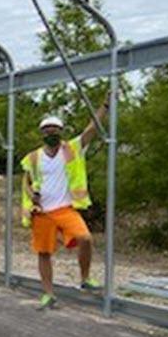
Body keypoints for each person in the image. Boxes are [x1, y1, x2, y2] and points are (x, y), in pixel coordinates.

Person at [20, 97, 109, 310]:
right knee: (44, 253)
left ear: (61, 131)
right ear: (42, 133)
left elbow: (92, 129)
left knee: (85, 238)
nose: (51, 133)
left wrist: (104, 107)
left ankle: (85, 278)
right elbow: (25, 181)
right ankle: (48, 294)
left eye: (55, 129)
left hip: (65, 208)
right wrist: (31, 194)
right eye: (47, 129)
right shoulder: (33, 157)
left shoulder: (71, 149)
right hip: (42, 212)